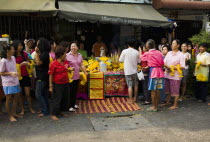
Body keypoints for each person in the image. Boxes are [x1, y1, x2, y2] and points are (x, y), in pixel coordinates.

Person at [49, 46, 72, 120]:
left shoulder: (65, 62)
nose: (66, 55)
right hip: (57, 84)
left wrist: (69, 70)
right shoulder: (53, 64)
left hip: (65, 82)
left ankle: (60, 111)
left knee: (64, 98)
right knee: (57, 99)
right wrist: (50, 86)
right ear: (60, 55)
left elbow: (65, 70)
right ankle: (53, 114)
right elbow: (51, 75)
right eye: (65, 53)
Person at [140, 39, 164, 112]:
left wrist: (140, 51)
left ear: (147, 46)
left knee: (153, 90)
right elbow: (162, 62)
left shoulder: (147, 53)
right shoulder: (160, 53)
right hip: (160, 71)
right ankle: (157, 106)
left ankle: (154, 107)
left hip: (153, 72)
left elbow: (141, 58)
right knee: (158, 90)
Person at [0, 44, 22, 122]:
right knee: (8, 99)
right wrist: (10, 73)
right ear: (7, 51)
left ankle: (14, 113)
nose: (14, 50)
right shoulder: (3, 61)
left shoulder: (13, 58)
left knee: (16, 97)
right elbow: (1, 73)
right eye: (12, 49)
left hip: (15, 80)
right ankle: (10, 116)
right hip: (8, 82)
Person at [13, 40, 35, 115]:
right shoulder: (13, 56)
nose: (21, 47)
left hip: (25, 76)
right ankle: (22, 109)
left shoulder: (25, 54)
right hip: (17, 77)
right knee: (20, 95)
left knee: (28, 94)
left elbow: (30, 64)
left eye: (21, 45)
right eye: (19, 45)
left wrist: (27, 64)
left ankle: (30, 108)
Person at [163, 39, 185, 109]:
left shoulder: (181, 55)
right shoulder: (169, 53)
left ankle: (175, 105)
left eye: (174, 43)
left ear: (178, 45)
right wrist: (167, 67)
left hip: (175, 76)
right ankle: (167, 102)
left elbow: (182, 66)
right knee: (168, 90)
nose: (172, 45)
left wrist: (173, 68)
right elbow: (164, 62)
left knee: (175, 91)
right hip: (167, 74)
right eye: (172, 43)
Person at [66, 41, 87, 112]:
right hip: (70, 77)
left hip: (77, 76)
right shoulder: (67, 55)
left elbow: (81, 64)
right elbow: (65, 65)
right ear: (70, 48)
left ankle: (74, 103)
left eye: (74, 46)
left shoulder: (80, 55)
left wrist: (85, 72)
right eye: (72, 46)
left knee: (75, 91)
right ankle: (69, 106)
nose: (73, 47)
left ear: (77, 48)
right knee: (70, 92)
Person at [119, 39, 140, 104]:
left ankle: (131, 100)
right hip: (135, 71)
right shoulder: (136, 52)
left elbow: (120, 60)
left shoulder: (124, 51)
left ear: (128, 45)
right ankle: (135, 98)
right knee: (136, 85)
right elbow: (139, 62)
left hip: (128, 71)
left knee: (130, 86)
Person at [35, 38, 51, 117]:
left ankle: (45, 110)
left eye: (38, 44)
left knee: (38, 94)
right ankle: (45, 109)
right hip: (43, 76)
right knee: (44, 94)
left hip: (42, 77)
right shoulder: (44, 53)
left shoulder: (44, 54)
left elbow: (38, 63)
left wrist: (37, 53)